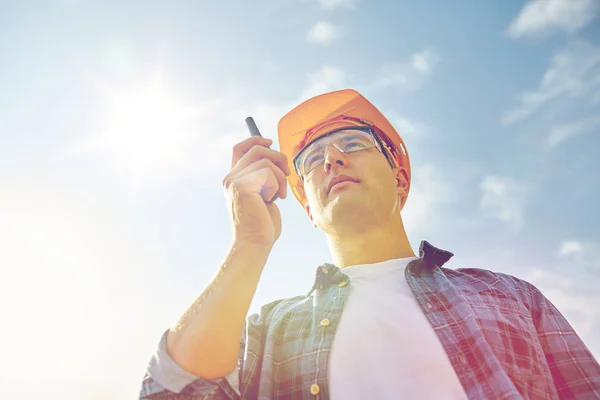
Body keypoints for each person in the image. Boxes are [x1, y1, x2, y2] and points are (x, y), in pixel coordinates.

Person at [139, 89, 600, 399]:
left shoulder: (509, 296)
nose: (332, 159)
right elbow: (170, 390)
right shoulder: (269, 330)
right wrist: (250, 243)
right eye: (313, 160)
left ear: (399, 177)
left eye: (353, 143)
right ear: (309, 211)